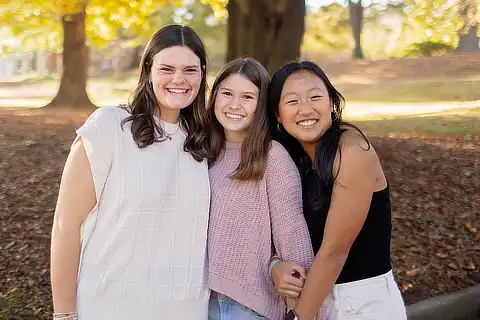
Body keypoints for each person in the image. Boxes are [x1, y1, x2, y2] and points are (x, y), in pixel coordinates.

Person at [50, 24, 211, 320]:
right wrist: (64, 314)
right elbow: (66, 225)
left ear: (202, 74)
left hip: (187, 310)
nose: (179, 79)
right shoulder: (108, 127)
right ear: (148, 70)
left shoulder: (204, 141)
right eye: (167, 68)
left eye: (190, 70)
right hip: (108, 307)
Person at [267, 61, 407, 320]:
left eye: (315, 97)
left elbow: (334, 252)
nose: (305, 109)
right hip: (318, 299)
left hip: (363, 305)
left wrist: (298, 318)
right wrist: (275, 266)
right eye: (292, 101)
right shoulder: (290, 159)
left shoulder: (352, 151)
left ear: (332, 102)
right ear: (277, 114)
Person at [206, 58, 318, 320]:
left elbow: (292, 234)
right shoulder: (203, 153)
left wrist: (305, 311)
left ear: (261, 104)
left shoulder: (273, 157)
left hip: (245, 307)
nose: (235, 105)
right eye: (227, 93)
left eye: (247, 96)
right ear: (214, 97)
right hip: (198, 302)